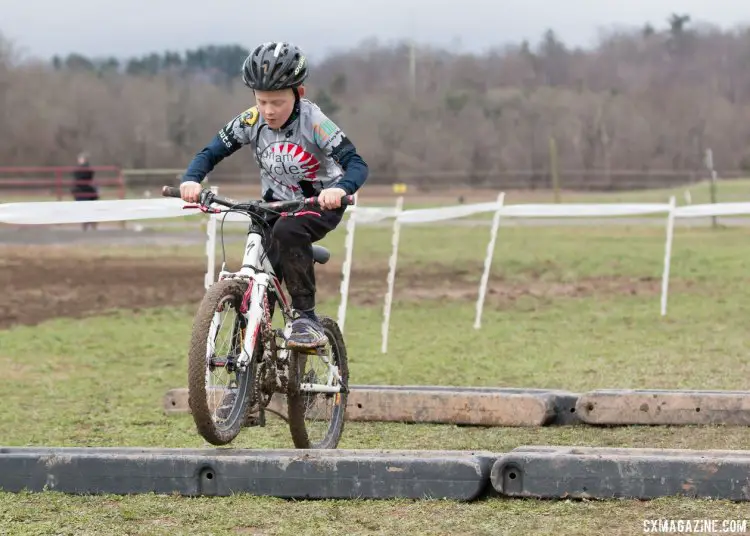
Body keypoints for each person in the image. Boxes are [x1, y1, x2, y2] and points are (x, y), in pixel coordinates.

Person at [179, 41, 369, 350]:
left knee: (288, 230)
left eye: (278, 102)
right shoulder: (251, 121)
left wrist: (340, 189)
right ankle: (254, 353)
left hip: (318, 203)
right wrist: (191, 180)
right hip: (275, 204)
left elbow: (356, 164)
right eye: (262, 101)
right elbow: (210, 152)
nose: (269, 110)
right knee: (262, 250)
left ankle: (306, 318)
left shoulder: (314, 122)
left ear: (299, 94)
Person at [70, 152, 99, 231]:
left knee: (84, 207)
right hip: (85, 190)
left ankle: (87, 223)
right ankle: (90, 223)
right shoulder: (86, 169)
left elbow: (79, 178)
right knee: (87, 207)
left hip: (83, 191)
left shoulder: (83, 169)